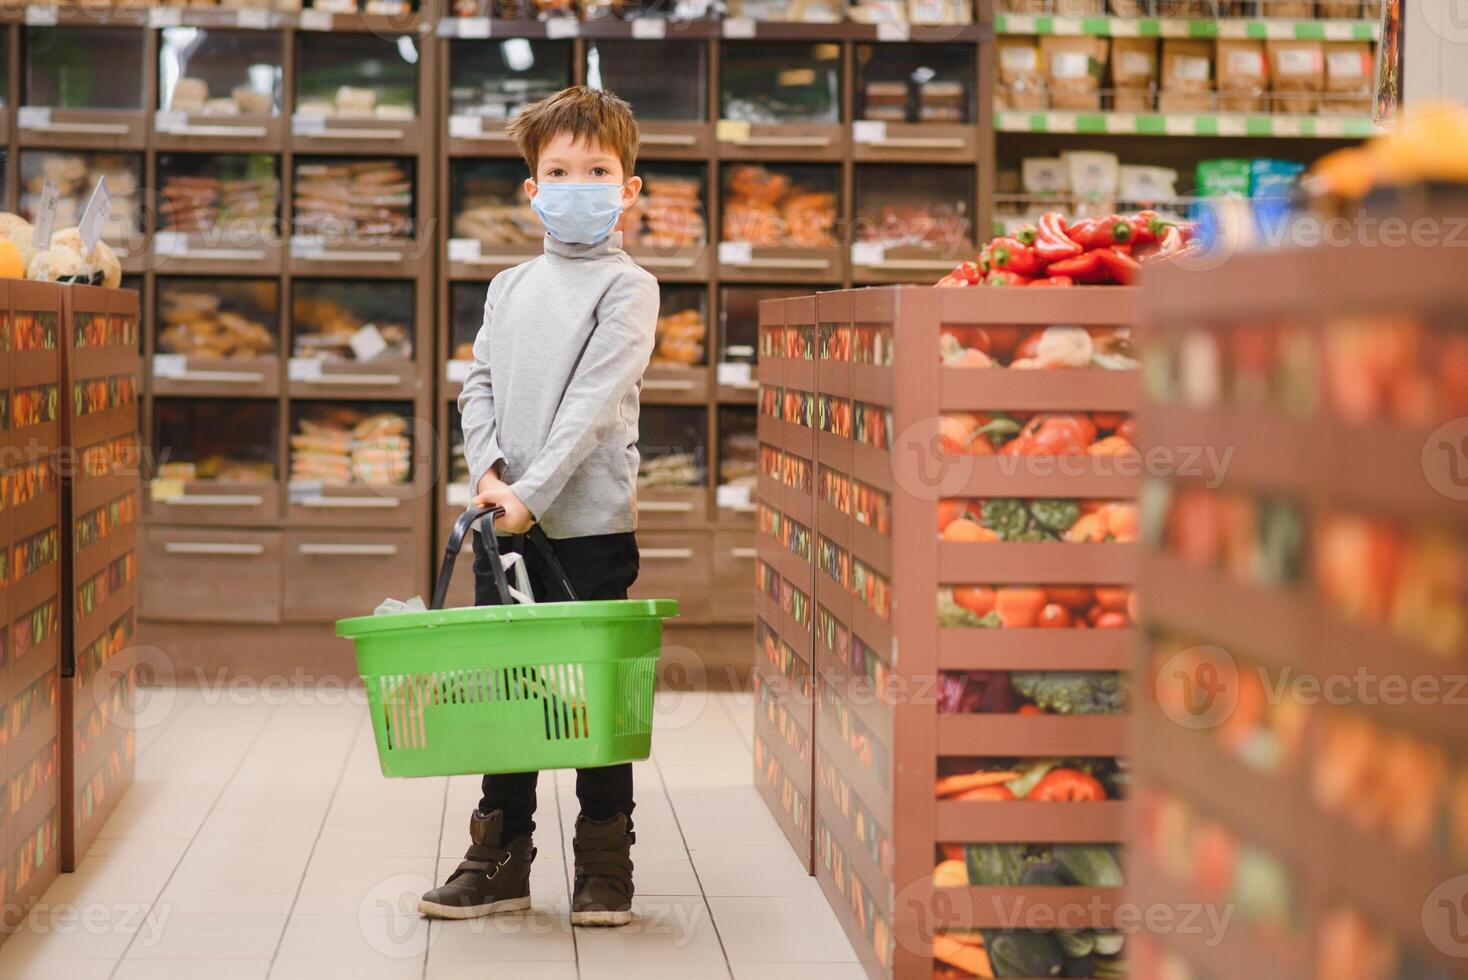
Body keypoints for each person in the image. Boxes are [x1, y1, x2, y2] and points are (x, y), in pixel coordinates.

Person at [419, 86, 658, 928]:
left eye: (598, 170)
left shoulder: (630, 289)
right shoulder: (510, 285)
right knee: (510, 694)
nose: (578, 184)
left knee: (593, 695)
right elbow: (476, 382)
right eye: (559, 170)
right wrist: (487, 472)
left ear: (628, 189)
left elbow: (593, 407)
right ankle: (501, 855)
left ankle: (604, 861)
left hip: (586, 526)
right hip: (505, 523)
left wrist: (529, 493)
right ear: (533, 188)